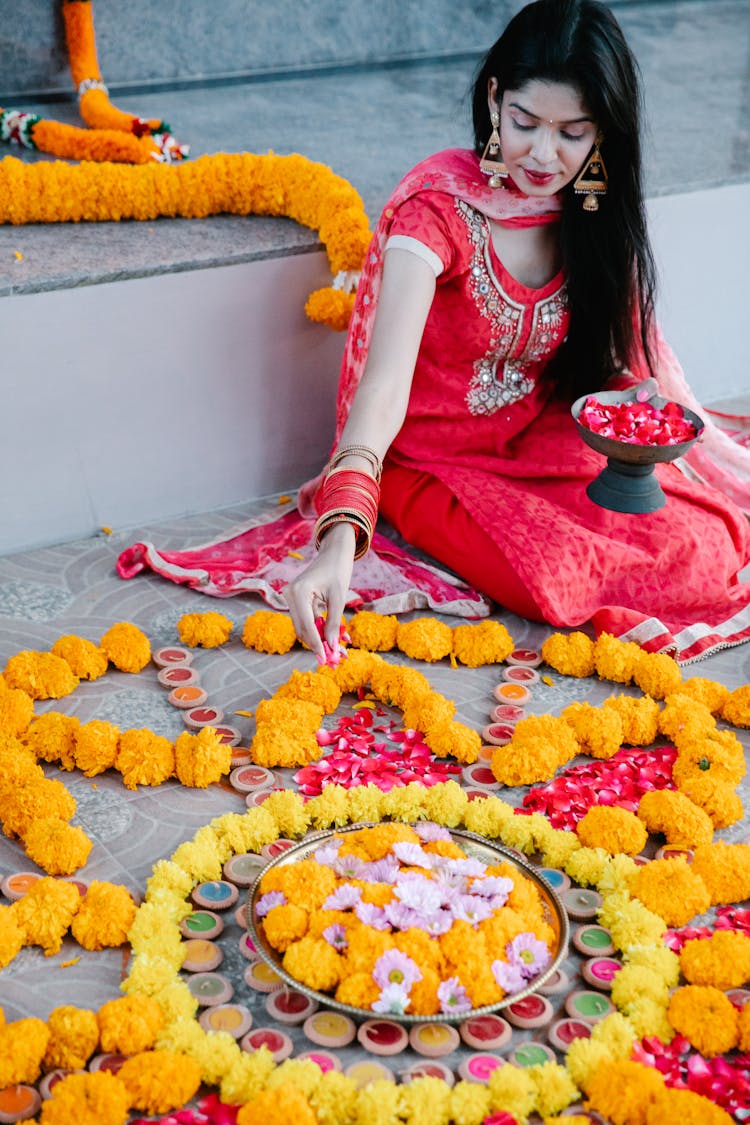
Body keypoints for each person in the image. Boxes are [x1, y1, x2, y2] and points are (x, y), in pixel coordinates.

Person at [118, 0, 750, 663]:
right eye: (526, 123)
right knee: (560, 572)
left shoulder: (589, 212)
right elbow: (381, 389)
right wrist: (339, 538)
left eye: (573, 134)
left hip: (543, 440)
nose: (543, 154)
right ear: (495, 98)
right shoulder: (436, 213)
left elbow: (612, 360)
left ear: (602, 135)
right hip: (434, 469)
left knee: (706, 539)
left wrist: (632, 400)